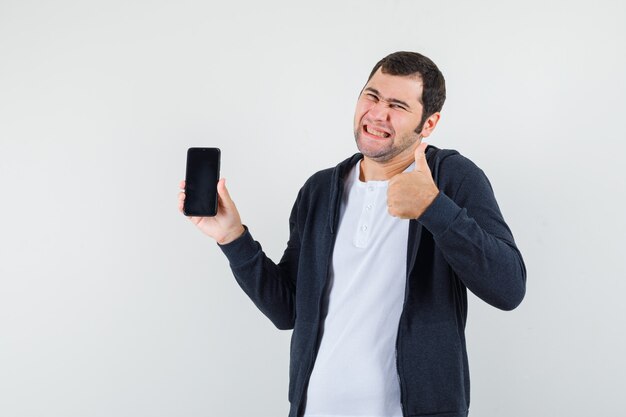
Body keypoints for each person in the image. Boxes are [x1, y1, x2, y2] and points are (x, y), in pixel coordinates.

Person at [178, 51, 526, 417]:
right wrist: (232, 237)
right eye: (372, 96)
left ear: (429, 123)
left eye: (397, 105)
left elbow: (509, 288)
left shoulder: (452, 177)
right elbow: (288, 311)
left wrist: (434, 208)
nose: (377, 114)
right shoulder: (320, 190)